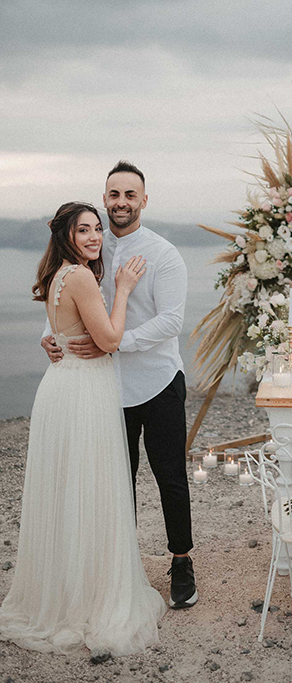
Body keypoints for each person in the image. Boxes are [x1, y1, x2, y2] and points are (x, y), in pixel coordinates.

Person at [0, 202, 166, 655]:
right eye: (83, 230)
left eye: (97, 229)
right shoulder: (80, 276)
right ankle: (88, 600)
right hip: (83, 392)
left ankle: (63, 592)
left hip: (60, 386)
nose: (94, 237)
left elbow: (64, 328)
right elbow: (110, 340)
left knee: (67, 491)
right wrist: (124, 289)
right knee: (90, 488)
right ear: (66, 236)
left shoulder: (58, 275)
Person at [41, 161, 196, 609]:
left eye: (130, 195)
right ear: (104, 198)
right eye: (114, 194)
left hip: (158, 381)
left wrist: (113, 344)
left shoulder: (163, 253)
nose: (121, 203)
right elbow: (66, 300)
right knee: (114, 481)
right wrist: (49, 336)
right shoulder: (90, 245)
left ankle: (181, 561)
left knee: (170, 477)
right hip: (105, 387)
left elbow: (171, 321)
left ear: (144, 200)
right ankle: (121, 568)